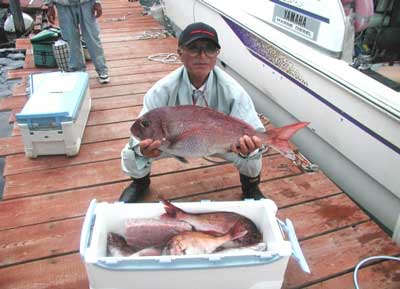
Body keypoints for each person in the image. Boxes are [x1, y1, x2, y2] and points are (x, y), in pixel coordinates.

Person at [120, 22, 265, 203]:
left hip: (220, 144)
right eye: (194, 49)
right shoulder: (161, 90)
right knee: (132, 150)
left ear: (217, 54)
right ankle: (139, 183)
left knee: (253, 153)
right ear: (180, 53)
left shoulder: (234, 91)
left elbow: (255, 130)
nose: (202, 56)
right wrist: (144, 150)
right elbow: (141, 131)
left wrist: (250, 146)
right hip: (172, 144)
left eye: (209, 49)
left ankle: (251, 186)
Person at [44, 0, 110, 84]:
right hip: (63, 5)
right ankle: (77, 71)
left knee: (92, 38)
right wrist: (50, 5)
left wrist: (98, 2)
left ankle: (102, 70)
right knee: (71, 39)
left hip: (87, 3)